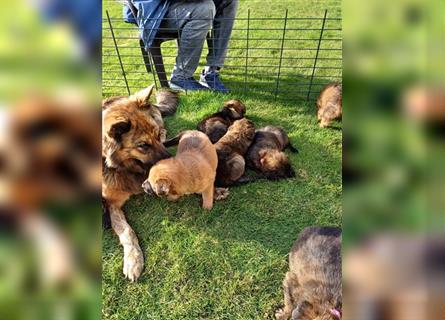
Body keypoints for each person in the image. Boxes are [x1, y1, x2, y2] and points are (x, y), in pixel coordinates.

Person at [124, 0, 238, 92]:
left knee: (228, 1)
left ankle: (211, 70)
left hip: (174, 4)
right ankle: (180, 77)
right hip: (156, 12)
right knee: (204, 8)